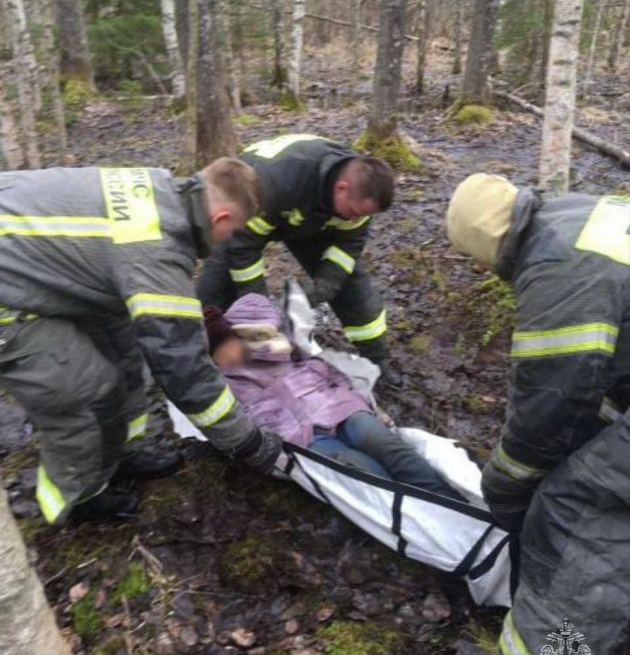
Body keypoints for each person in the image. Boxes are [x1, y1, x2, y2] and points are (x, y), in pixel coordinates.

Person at [0, 160, 283, 526]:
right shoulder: (156, 253)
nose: (232, 239)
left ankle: (117, 454)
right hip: (9, 294)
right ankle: (75, 499)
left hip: (31, 259)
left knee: (124, 347)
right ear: (221, 218)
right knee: (84, 391)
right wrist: (246, 442)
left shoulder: (160, 186)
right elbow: (184, 369)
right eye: (236, 230)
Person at [444, 173, 630, 655]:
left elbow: (551, 404)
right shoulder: (581, 213)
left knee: (576, 519)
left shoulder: (557, 271)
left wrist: (506, 485)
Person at [203, 293, 465, 499]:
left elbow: (334, 373)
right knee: (359, 469)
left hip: (336, 407)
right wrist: (276, 459)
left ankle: (450, 504)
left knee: (381, 441)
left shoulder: (279, 345)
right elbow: (235, 432)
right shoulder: (219, 385)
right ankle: (412, 518)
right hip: (299, 438)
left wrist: (369, 406)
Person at [196, 134, 402, 387]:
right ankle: (200, 365)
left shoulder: (362, 195)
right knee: (213, 292)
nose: (354, 220)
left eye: (361, 216)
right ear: (342, 188)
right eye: (352, 213)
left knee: (355, 290)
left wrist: (324, 287)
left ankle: (377, 360)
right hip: (257, 209)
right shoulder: (274, 183)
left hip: (313, 220)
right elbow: (242, 248)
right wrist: (259, 306)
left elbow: (349, 246)